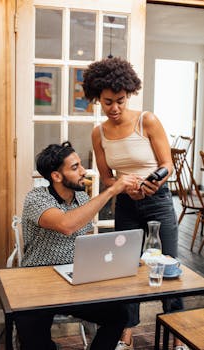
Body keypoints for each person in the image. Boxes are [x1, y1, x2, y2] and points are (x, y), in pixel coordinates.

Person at [83, 57, 185, 350]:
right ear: (97, 99)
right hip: (126, 205)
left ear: (128, 94)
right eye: (107, 102)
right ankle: (126, 336)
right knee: (127, 268)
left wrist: (154, 182)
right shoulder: (98, 133)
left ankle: (178, 338)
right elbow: (104, 176)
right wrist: (121, 187)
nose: (114, 108)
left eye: (120, 100)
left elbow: (168, 164)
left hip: (158, 202)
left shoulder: (147, 120)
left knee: (169, 268)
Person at [15, 141, 140, 350]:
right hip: (37, 282)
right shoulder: (36, 198)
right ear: (56, 176)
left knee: (119, 315)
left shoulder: (82, 197)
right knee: (34, 340)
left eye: (81, 165)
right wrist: (111, 191)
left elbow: (87, 240)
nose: (84, 171)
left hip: (75, 280)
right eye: (75, 168)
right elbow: (66, 225)